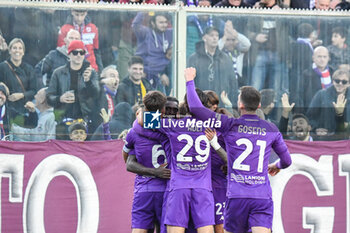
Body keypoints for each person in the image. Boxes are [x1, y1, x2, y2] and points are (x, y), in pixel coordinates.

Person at [185, 67, 292, 233]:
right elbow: (287, 161)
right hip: (261, 196)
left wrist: (189, 80)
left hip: (237, 196)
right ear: (259, 105)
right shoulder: (272, 129)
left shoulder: (230, 124)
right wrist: (276, 165)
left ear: (240, 104)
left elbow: (196, 109)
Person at [134, 89, 215, 233]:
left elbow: (140, 121)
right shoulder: (212, 124)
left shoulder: (173, 125)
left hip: (179, 186)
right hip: (203, 186)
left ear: (186, 105)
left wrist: (141, 111)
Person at [123, 91, 170, 233]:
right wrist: (157, 172)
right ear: (163, 110)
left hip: (144, 189)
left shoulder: (134, 131)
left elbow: (128, 162)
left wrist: (151, 172)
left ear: (144, 107)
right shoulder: (171, 129)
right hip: (166, 189)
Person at [46, 40, 100, 139]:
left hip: (85, 122)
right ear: (69, 55)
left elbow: (96, 94)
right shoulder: (58, 73)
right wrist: (60, 98)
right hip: (63, 121)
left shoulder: (91, 72)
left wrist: (88, 81)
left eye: (82, 52)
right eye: (75, 53)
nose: (78, 55)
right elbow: (49, 97)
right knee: (63, 153)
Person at [188, 27, 238, 108]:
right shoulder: (194, 58)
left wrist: (233, 104)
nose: (215, 38)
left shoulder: (225, 58)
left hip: (221, 105)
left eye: (217, 35)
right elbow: (190, 83)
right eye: (211, 35)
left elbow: (233, 82)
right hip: (201, 105)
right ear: (204, 38)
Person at [0, 38, 37, 128]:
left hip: (24, 109)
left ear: (23, 52)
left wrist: (21, 95)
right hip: (8, 110)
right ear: (9, 50)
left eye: (20, 48)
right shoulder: (2, 67)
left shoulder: (29, 69)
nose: (17, 50)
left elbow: (34, 90)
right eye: (14, 48)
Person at [132, 12, 173, 93]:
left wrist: (163, 74)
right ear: (153, 23)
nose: (164, 25)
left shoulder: (170, 33)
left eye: (165, 22)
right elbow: (135, 26)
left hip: (162, 74)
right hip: (145, 73)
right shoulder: (146, 32)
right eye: (161, 22)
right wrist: (143, 11)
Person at [306, 68, 350, 138]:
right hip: (326, 138)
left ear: (348, 84)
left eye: (344, 82)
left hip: (346, 139)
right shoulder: (321, 94)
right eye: (337, 81)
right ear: (333, 81)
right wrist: (316, 129)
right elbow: (310, 117)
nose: (340, 84)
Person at [296, 46, 333, 113]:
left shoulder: (333, 72)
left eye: (325, 57)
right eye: (319, 56)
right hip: (312, 111)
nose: (322, 59)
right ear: (313, 58)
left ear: (329, 58)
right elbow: (300, 96)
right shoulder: (306, 74)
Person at [218, 20, 251, 87]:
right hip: (222, 81)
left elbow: (247, 44)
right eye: (228, 40)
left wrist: (235, 34)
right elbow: (216, 48)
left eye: (233, 40)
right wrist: (225, 36)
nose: (230, 42)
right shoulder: (220, 52)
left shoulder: (238, 50)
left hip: (237, 82)